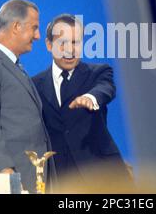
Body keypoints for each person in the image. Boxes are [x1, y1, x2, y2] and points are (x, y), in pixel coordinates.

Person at [31, 14, 132, 190]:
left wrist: (91, 98)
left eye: (75, 42)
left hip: (102, 173)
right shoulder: (34, 85)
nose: (70, 50)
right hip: (61, 180)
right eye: (63, 43)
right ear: (49, 45)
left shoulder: (98, 72)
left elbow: (105, 89)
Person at [0, 0, 56, 193]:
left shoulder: (15, 67)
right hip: (12, 181)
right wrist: (4, 172)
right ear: (16, 26)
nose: (38, 36)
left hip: (33, 178)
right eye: (34, 28)